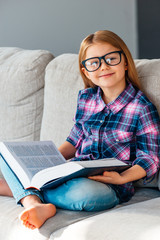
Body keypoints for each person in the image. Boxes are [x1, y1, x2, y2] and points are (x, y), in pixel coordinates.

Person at [0, 30, 160, 230]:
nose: (103, 66)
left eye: (111, 59)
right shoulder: (86, 99)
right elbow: (74, 141)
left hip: (107, 186)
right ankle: (33, 201)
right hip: (73, 172)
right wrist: (45, 162)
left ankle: (22, 192)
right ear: (86, 72)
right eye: (94, 63)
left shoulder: (141, 107)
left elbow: (150, 159)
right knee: (5, 154)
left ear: (125, 62)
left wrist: (122, 177)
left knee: (86, 195)